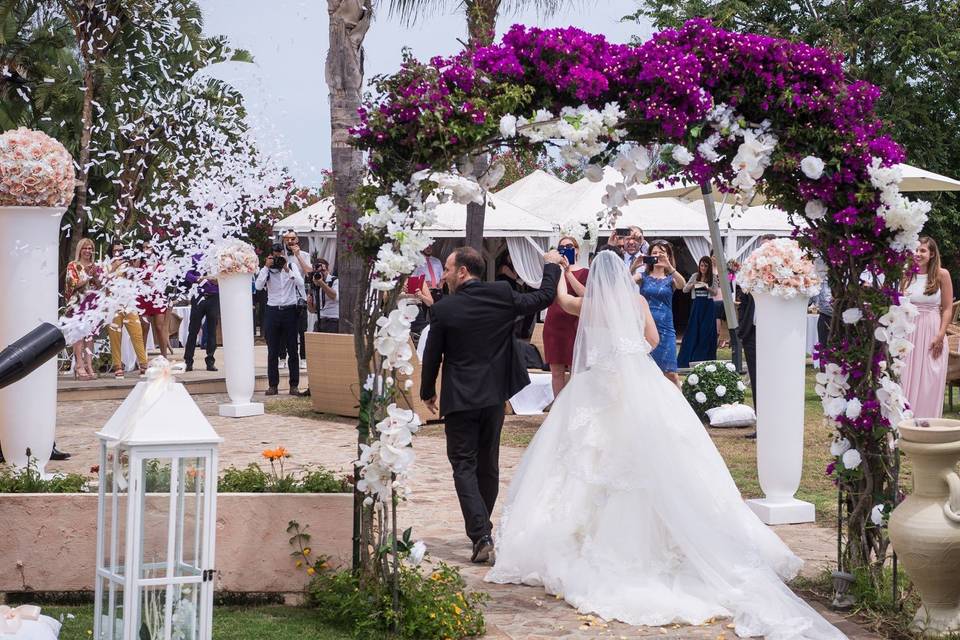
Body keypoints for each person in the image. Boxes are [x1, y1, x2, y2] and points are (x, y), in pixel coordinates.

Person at [485, 251, 847, 640]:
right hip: (642, 383)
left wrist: (557, 269)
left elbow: (562, 301)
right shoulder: (638, 302)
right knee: (664, 457)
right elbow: (653, 340)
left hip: (599, 385)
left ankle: (585, 539)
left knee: (586, 460)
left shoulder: (589, 304)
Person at [420, 246, 563, 564]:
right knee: (488, 464)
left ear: (462, 271)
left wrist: (427, 390)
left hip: (460, 398)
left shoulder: (445, 310)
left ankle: (481, 534)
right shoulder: (502, 293)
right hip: (495, 395)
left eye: (446, 268)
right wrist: (551, 266)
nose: (442, 275)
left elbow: (433, 354)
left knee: (463, 465)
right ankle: (482, 529)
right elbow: (542, 298)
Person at [900, 236, 953, 418]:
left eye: (922, 250)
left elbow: (947, 309)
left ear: (931, 254)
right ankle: (903, 427)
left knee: (929, 382)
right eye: (915, 250)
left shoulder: (941, 274)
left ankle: (926, 428)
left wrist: (940, 335)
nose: (918, 254)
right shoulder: (906, 274)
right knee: (904, 379)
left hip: (932, 333)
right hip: (907, 334)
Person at [256, 243, 305, 396]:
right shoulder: (267, 270)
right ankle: (273, 385)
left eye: (280, 254)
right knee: (272, 351)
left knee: (292, 349)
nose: (278, 257)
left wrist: (286, 269)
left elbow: (300, 283)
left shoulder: (290, 265)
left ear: (284, 254)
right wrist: (265, 267)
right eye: (275, 255)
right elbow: (258, 286)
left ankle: (294, 385)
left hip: (290, 310)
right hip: (273, 310)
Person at [543, 237, 589, 397]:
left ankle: (575, 407)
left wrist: (568, 272)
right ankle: (558, 410)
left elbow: (587, 295)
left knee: (576, 370)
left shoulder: (586, 272)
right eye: (561, 247)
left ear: (576, 250)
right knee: (556, 372)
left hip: (575, 322)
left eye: (569, 246)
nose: (565, 249)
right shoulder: (553, 272)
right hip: (554, 323)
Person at [636, 240, 685, 386]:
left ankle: (681, 406)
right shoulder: (643, 276)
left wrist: (669, 266)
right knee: (647, 371)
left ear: (668, 256)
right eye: (654, 253)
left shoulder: (671, 279)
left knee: (671, 373)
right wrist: (635, 265)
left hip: (666, 328)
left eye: (661, 253)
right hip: (645, 327)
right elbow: (623, 282)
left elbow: (683, 285)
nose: (657, 256)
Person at [106, 242, 148, 378]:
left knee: (137, 333)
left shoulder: (128, 264)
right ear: (111, 251)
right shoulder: (106, 264)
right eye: (116, 250)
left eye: (121, 250)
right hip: (113, 304)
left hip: (128, 303)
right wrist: (116, 265)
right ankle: (118, 366)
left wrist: (133, 267)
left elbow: (134, 281)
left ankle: (143, 363)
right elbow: (104, 281)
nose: (119, 252)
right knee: (115, 336)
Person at [64, 237, 102, 380]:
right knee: (79, 336)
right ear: (80, 250)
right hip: (77, 303)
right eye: (85, 248)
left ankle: (89, 365)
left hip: (92, 303)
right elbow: (72, 285)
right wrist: (88, 276)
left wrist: (97, 277)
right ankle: (79, 365)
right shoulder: (73, 266)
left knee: (90, 336)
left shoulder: (95, 266)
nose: (87, 250)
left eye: (90, 248)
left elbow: (100, 286)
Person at [677, 256, 719, 368]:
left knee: (706, 331)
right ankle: (690, 358)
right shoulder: (695, 276)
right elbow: (684, 289)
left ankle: (705, 358)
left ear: (709, 267)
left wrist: (707, 287)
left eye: (706, 266)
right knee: (694, 330)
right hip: (697, 305)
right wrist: (693, 284)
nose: (703, 268)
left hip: (708, 306)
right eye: (701, 265)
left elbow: (715, 292)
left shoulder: (713, 277)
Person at [183, 253, 219, 373]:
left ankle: (210, 360)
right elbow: (187, 275)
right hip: (198, 295)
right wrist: (199, 279)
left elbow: (225, 275)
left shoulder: (219, 257)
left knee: (212, 330)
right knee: (193, 329)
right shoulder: (195, 256)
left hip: (213, 296)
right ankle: (188, 361)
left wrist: (217, 280)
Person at [280, 232, 311, 370]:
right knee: (283, 330)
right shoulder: (280, 255)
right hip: (284, 296)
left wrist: (298, 255)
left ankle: (303, 357)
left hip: (299, 296)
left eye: (293, 238)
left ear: (297, 239)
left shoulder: (304, 255)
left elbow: (309, 272)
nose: (290, 241)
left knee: (302, 329)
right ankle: (282, 357)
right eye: (287, 239)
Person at [136, 242, 172, 359]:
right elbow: (134, 277)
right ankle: (142, 359)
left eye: (149, 247)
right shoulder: (140, 262)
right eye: (144, 247)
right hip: (142, 296)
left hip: (157, 296)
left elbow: (166, 280)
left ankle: (164, 357)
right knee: (144, 327)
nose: (146, 249)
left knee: (160, 327)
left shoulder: (160, 263)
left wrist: (156, 282)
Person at [411, 245, 444, 336]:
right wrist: (424, 283)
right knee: (424, 314)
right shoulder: (417, 262)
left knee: (438, 313)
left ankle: (439, 331)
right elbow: (413, 277)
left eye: (430, 246)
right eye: (426, 246)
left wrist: (440, 284)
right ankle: (425, 333)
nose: (429, 248)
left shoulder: (437, 261)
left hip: (437, 291)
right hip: (424, 292)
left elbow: (442, 276)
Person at [308, 258, 340, 333]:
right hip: (320, 320)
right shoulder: (314, 284)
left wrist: (321, 283)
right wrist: (309, 304)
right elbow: (313, 310)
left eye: (323, 271)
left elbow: (334, 296)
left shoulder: (334, 280)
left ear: (328, 270)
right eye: (318, 271)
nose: (321, 273)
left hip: (333, 321)